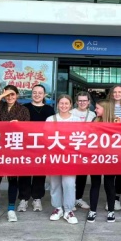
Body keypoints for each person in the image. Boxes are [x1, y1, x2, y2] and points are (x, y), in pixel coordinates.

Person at [0, 85, 30, 224]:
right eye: (7, 95)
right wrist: (0, 96)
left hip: (14, 148)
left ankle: (11, 209)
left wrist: (19, 124)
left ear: (17, 96)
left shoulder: (23, 109)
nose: (10, 97)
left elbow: (28, 128)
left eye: (12, 95)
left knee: (13, 179)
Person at [19, 84, 55, 212]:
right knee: (24, 172)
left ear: (44, 95)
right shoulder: (24, 108)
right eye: (35, 92)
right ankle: (23, 198)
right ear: (31, 93)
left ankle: (37, 198)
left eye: (40, 93)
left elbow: (53, 128)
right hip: (26, 145)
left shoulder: (49, 110)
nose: (37, 95)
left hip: (42, 145)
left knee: (40, 172)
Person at [87, 100, 121, 223]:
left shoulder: (116, 121)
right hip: (96, 158)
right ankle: (92, 210)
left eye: (97, 108)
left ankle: (111, 211)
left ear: (105, 109)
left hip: (110, 158)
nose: (95, 110)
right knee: (95, 184)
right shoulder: (94, 120)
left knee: (109, 184)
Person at [46, 95, 78, 224]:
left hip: (70, 157)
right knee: (55, 183)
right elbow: (45, 137)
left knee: (69, 184)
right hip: (55, 157)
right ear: (57, 104)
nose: (64, 106)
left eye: (66, 103)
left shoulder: (76, 120)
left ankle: (68, 210)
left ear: (70, 105)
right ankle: (57, 208)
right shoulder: (50, 119)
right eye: (61, 103)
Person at [72, 91, 96, 211]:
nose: (82, 103)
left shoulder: (93, 114)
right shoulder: (71, 113)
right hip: (72, 148)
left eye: (84, 101)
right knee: (71, 176)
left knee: (82, 175)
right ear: (76, 102)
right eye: (80, 100)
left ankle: (78, 198)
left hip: (86, 149)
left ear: (89, 102)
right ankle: (70, 200)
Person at [108, 84, 121, 211]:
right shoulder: (106, 107)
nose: (117, 94)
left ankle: (116, 198)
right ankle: (110, 198)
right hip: (108, 144)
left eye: (119, 92)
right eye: (114, 92)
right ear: (111, 94)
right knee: (110, 173)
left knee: (120, 173)